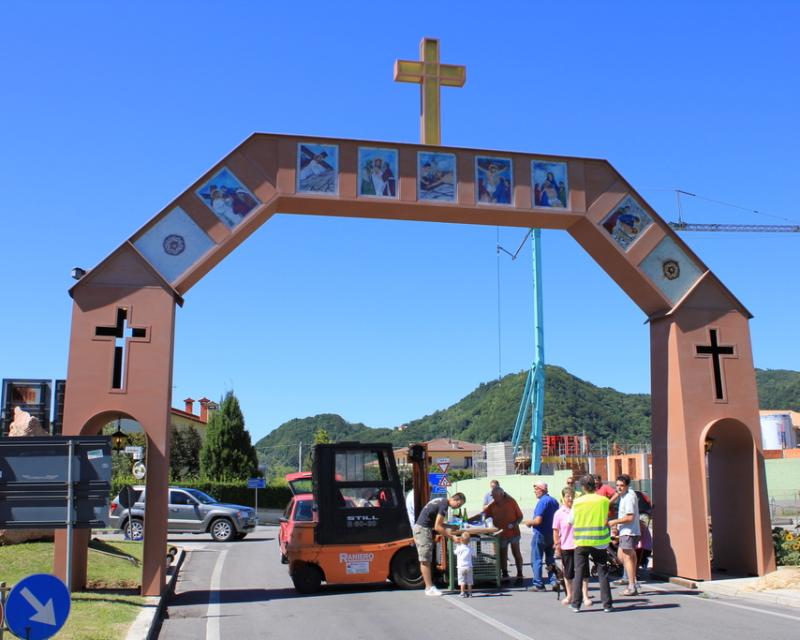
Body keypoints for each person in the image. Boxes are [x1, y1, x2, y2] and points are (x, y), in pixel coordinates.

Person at [569, 475, 613, 613]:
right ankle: (607, 605)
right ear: (595, 486)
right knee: (603, 572)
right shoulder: (604, 501)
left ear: (583, 487)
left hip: (582, 541)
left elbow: (570, 521)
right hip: (600, 541)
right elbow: (606, 517)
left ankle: (576, 604)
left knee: (579, 572)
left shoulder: (577, 502)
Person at [414, 492, 466, 596]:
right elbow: (438, 527)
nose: (458, 507)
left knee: (427, 559)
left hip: (422, 529)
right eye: (459, 505)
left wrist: (450, 526)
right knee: (425, 560)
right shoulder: (444, 505)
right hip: (423, 530)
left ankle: (430, 586)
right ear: (455, 499)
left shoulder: (441, 501)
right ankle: (429, 588)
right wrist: (452, 537)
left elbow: (437, 523)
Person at [553, 488, 592, 607]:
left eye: (572, 496)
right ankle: (570, 595)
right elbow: (556, 531)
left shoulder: (579, 510)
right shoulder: (559, 513)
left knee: (584, 572)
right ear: (563, 498)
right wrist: (557, 546)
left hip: (580, 544)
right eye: (568, 496)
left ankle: (585, 595)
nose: (570, 499)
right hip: (566, 546)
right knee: (568, 573)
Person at [482, 486, 524, 583]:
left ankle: (520, 573)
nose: (493, 498)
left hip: (513, 532)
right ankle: (504, 574)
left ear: (501, 495)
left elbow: (520, 517)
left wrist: (514, 524)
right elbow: (483, 514)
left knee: (516, 552)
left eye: (495, 496)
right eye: (493, 496)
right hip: (501, 533)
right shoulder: (493, 504)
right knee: (502, 554)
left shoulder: (511, 501)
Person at [609, 474, 641, 595]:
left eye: (622, 486)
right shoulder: (626, 493)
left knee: (626, 557)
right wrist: (608, 502)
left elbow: (630, 517)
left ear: (627, 486)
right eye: (617, 485)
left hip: (629, 531)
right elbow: (617, 493)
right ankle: (634, 581)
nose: (619, 488)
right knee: (623, 557)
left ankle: (632, 586)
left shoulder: (629, 498)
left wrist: (614, 522)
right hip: (625, 531)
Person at [524, 482, 559, 591]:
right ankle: (553, 581)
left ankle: (538, 584)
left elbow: (538, 520)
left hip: (541, 534)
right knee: (550, 559)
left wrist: (529, 522)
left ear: (541, 490)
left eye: (536, 489)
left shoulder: (542, 502)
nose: (535, 491)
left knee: (536, 559)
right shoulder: (554, 501)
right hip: (551, 534)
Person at [455, 531, 474, 598]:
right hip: (469, 566)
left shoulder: (459, 547)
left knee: (462, 581)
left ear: (461, 539)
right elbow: (473, 554)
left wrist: (457, 544)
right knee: (469, 581)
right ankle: (470, 593)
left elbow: (455, 552)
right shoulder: (469, 548)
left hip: (460, 567)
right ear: (469, 541)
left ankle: (462, 592)